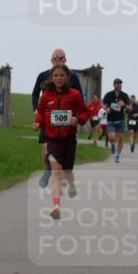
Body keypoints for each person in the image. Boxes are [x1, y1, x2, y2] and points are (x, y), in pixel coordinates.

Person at [32, 64, 90, 219]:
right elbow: (40, 112)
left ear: (67, 78)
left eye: (61, 76)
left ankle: (71, 184)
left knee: (67, 171)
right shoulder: (46, 96)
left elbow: (85, 112)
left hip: (69, 139)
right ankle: (56, 205)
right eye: (55, 76)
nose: (58, 78)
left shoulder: (75, 95)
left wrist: (77, 119)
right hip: (52, 140)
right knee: (56, 172)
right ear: (51, 78)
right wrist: (38, 123)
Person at [32, 48, 82, 187]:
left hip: (66, 119)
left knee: (64, 149)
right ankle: (48, 170)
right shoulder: (42, 76)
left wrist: (77, 117)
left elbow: (80, 98)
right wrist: (36, 109)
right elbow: (35, 94)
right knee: (45, 147)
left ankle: (61, 173)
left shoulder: (73, 77)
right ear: (51, 60)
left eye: (61, 58)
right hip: (48, 118)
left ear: (65, 60)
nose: (58, 60)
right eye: (56, 58)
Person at [102, 78, 131, 163]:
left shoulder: (125, 95)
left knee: (121, 138)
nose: (119, 85)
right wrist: (106, 108)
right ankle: (112, 144)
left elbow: (130, 108)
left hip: (120, 120)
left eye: (120, 84)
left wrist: (124, 105)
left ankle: (117, 155)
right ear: (114, 85)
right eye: (117, 84)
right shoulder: (108, 94)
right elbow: (103, 104)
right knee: (111, 137)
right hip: (110, 120)